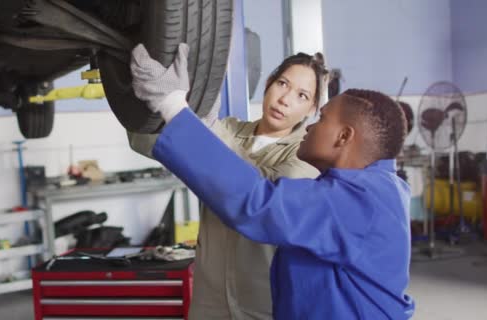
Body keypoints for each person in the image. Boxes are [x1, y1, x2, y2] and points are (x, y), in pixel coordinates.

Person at [129, 43, 415, 319]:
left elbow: (257, 202)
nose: (311, 126)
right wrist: (194, 126)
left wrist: (175, 108)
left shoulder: (359, 201)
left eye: (320, 117)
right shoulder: (366, 187)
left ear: (343, 136)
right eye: (282, 84)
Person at [127, 47, 327, 319]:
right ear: (268, 82)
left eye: (301, 95)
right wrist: (137, 96)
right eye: (282, 84)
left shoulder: (307, 156)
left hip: (265, 304)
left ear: (311, 109)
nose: (285, 99)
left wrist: (192, 127)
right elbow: (151, 143)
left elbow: (255, 191)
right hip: (208, 300)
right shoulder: (229, 130)